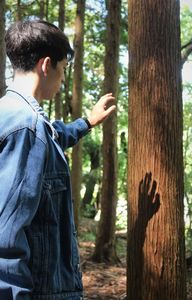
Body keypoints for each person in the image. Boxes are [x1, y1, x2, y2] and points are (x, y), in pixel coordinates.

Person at [0, 20, 116, 300]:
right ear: (46, 65)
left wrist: (87, 122)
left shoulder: (13, 115)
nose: (63, 80)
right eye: (63, 70)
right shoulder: (27, 128)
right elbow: (7, 238)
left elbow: (51, 138)